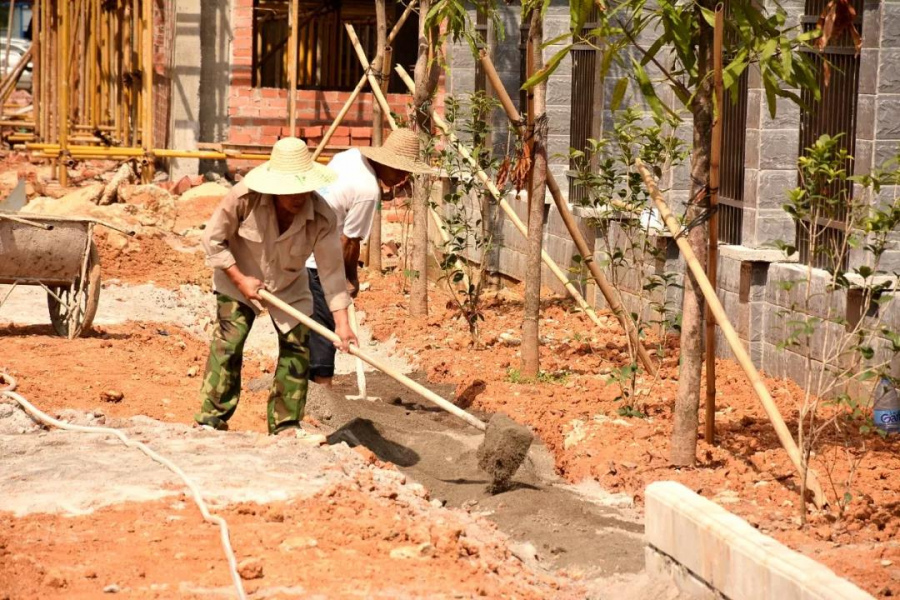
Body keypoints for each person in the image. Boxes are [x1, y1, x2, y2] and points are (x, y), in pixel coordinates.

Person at [194, 137, 357, 435]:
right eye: (291, 190)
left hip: (290, 284)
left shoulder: (321, 217)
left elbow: (332, 275)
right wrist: (241, 280)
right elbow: (213, 241)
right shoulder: (244, 198)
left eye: (304, 189)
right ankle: (211, 419)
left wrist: (342, 325)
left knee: (297, 349)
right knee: (229, 342)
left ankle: (286, 425)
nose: (299, 197)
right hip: (238, 275)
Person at [306, 128, 433, 387]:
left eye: (407, 173)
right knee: (326, 331)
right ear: (385, 161)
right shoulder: (367, 190)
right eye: (399, 171)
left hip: (305, 245)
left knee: (309, 328)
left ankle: (308, 391)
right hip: (317, 260)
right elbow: (349, 241)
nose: (402, 178)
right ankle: (324, 396)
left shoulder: (350, 157)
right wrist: (350, 278)